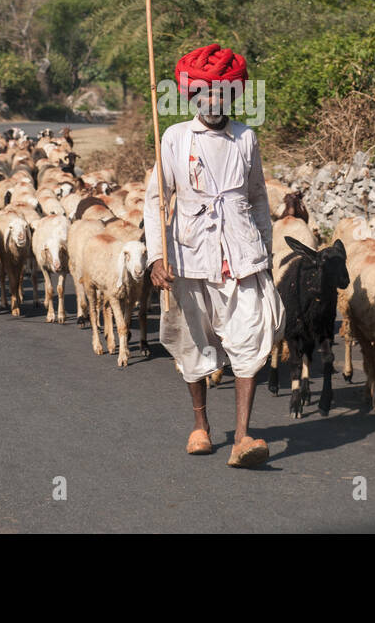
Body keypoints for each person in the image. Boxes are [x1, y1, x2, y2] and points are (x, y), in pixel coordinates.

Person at [144, 43, 284, 468]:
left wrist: (265, 250)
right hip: (188, 254)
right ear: (192, 96)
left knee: (249, 338)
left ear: (232, 98)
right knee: (194, 342)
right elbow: (156, 200)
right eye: (206, 94)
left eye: (223, 95)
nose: (214, 102)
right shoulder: (174, 138)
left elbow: (258, 198)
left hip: (241, 254)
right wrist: (155, 257)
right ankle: (200, 426)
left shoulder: (246, 138)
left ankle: (242, 437)